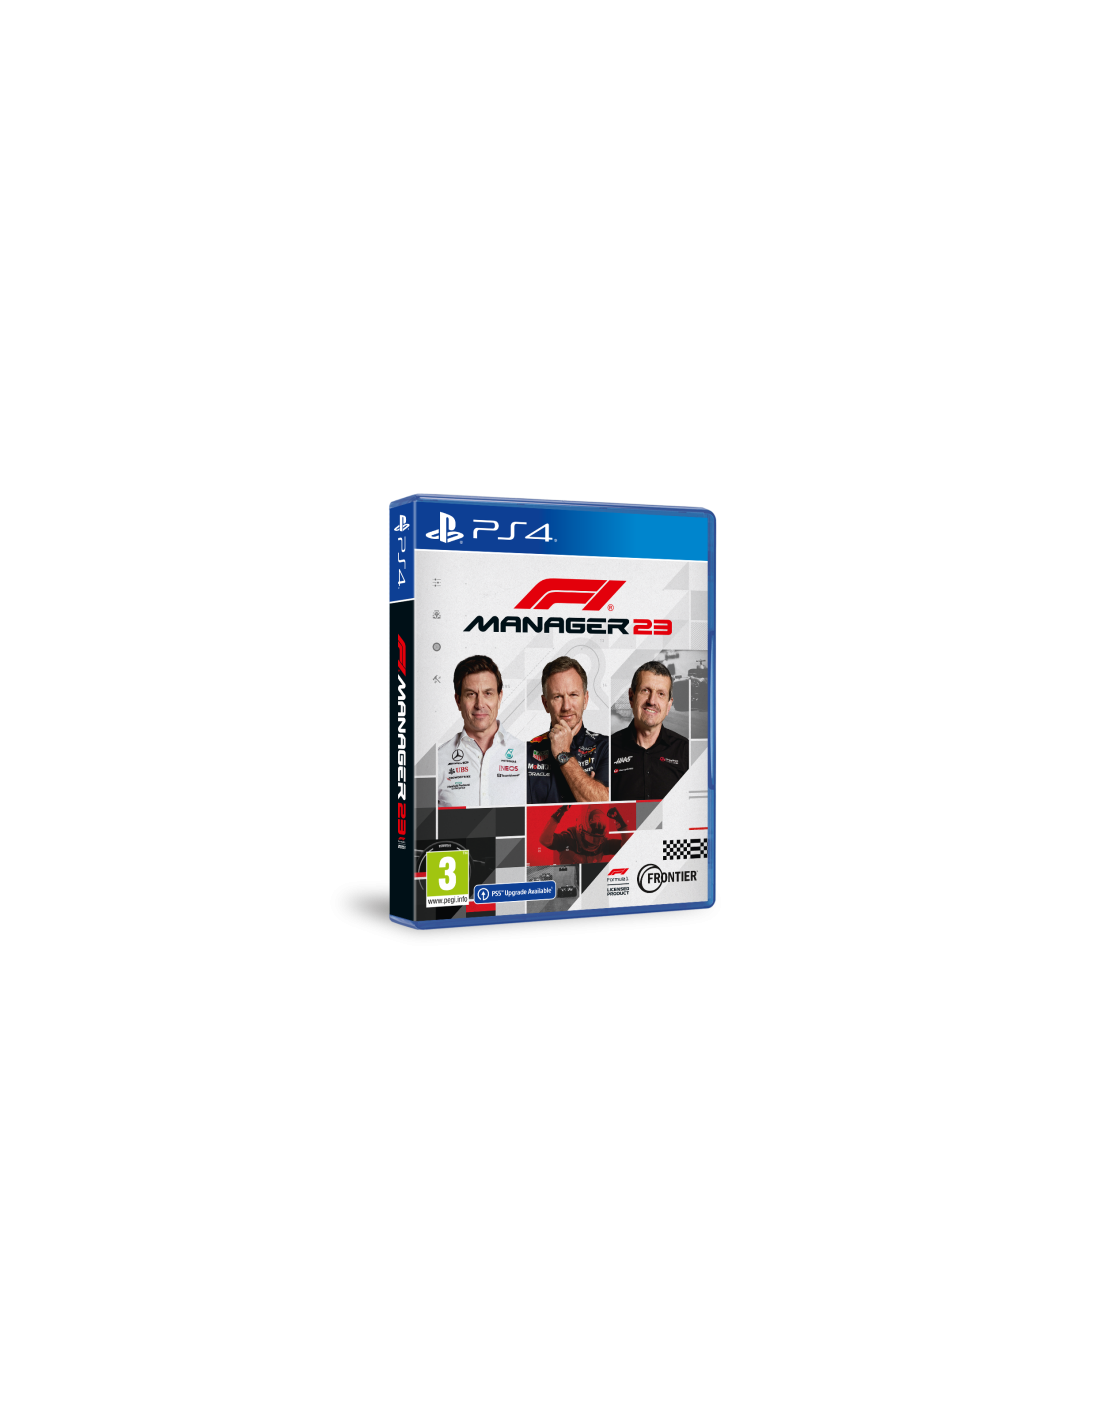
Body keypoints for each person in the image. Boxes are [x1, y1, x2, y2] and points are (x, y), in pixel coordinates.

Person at [437, 655, 526, 806]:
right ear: (458, 701)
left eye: (488, 693)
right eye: (471, 694)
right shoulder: (437, 761)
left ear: (499, 697)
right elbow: (422, 819)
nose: (480, 704)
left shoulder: (526, 756)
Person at [527, 656, 609, 803]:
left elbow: (605, 807)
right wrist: (587, 786)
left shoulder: (606, 747)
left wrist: (563, 753)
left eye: (573, 695)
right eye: (557, 697)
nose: (566, 706)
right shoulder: (526, 752)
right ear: (545, 703)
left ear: (585, 699)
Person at [609, 661, 690, 801]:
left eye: (661, 694)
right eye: (645, 690)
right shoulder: (608, 749)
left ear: (669, 705)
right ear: (631, 697)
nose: (652, 701)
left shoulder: (685, 751)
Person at [538, 804, 630, 864]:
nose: (595, 843)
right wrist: (559, 813)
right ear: (580, 830)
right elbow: (544, 840)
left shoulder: (602, 844)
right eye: (592, 839)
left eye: (599, 839)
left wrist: (621, 824)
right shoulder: (568, 839)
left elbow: (627, 847)